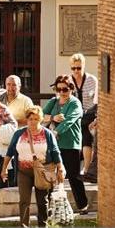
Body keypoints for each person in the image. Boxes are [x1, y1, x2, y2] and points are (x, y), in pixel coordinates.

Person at [0, 106, 65, 228]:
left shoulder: (47, 134)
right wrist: (4, 169)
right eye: (30, 119)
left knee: (42, 201)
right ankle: (24, 226)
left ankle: (43, 226)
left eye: (36, 119)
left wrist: (60, 168)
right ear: (27, 120)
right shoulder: (19, 133)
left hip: (42, 171)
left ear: (40, 120)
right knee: (24, 200)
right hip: (24, 171)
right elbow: (10, 152)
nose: (33, 122)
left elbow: (56, 152)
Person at [43, 75, 88, 214]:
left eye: (65, 89)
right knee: (50, 175)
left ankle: (82, 205)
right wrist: (52, 118)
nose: (62, 92)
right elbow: (41, 115)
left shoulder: (75, 103)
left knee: (73, 176)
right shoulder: (53, 102)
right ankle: (49, 206)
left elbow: (69, 121)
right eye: (59, 89)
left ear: (71, 89)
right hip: (54, 144)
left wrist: (55, 132)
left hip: (70, 144)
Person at [69, 53, 99, 181]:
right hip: (74, 114)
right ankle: (84, 169)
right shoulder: (68, 80)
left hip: (89, 113)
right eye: (74, 68)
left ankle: (85, 169)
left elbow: (97, 102)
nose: (76, 71)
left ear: (83, 67)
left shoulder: (92, 80)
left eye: (79, 68)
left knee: (86, 130)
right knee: (85, 130)